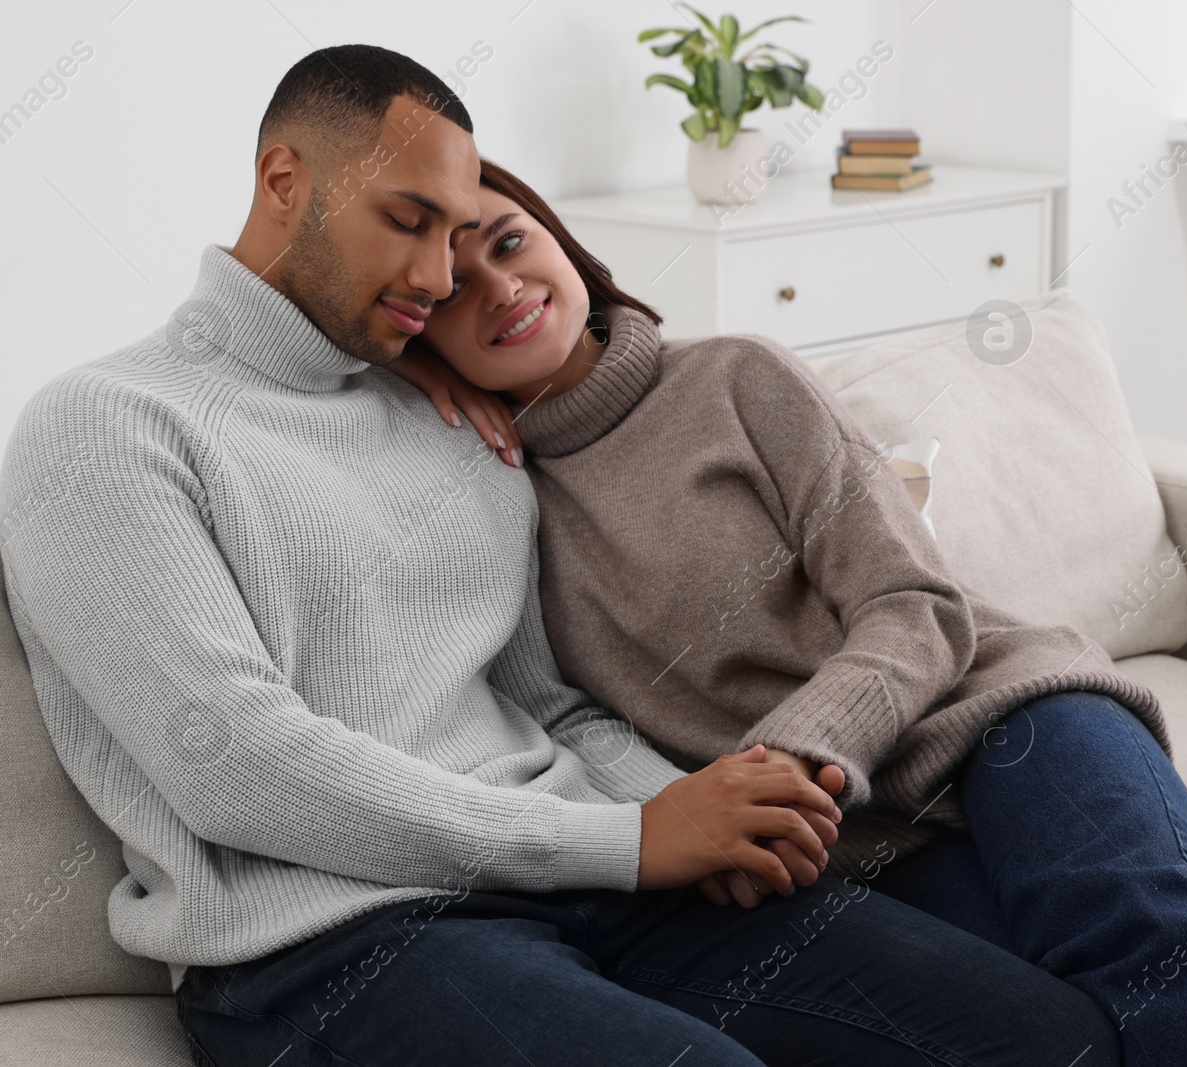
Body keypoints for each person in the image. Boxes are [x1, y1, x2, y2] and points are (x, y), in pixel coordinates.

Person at [0, 45, 1122, 1067]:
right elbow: (236, 763)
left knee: (1051, 1037)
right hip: (331, 941)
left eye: (456, 230)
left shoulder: (451, 421)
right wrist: (631, 839)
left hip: (589, 878)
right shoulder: (103, 427)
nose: (440, 276)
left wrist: (716, 813)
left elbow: (554, 708)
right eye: (407, 219)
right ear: (284, 178)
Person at [392, 155, 1187, 1067]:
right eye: (449, 290)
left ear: (560, 242)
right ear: (419, 333)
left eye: (509, 243)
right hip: (852, 844)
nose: (498, 288)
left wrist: (795, 752)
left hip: (1005, 718)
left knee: (1158, 962)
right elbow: (567, 723)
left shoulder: (734, 378)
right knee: (1072, 1024)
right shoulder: (489, 505)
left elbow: (912, 600)